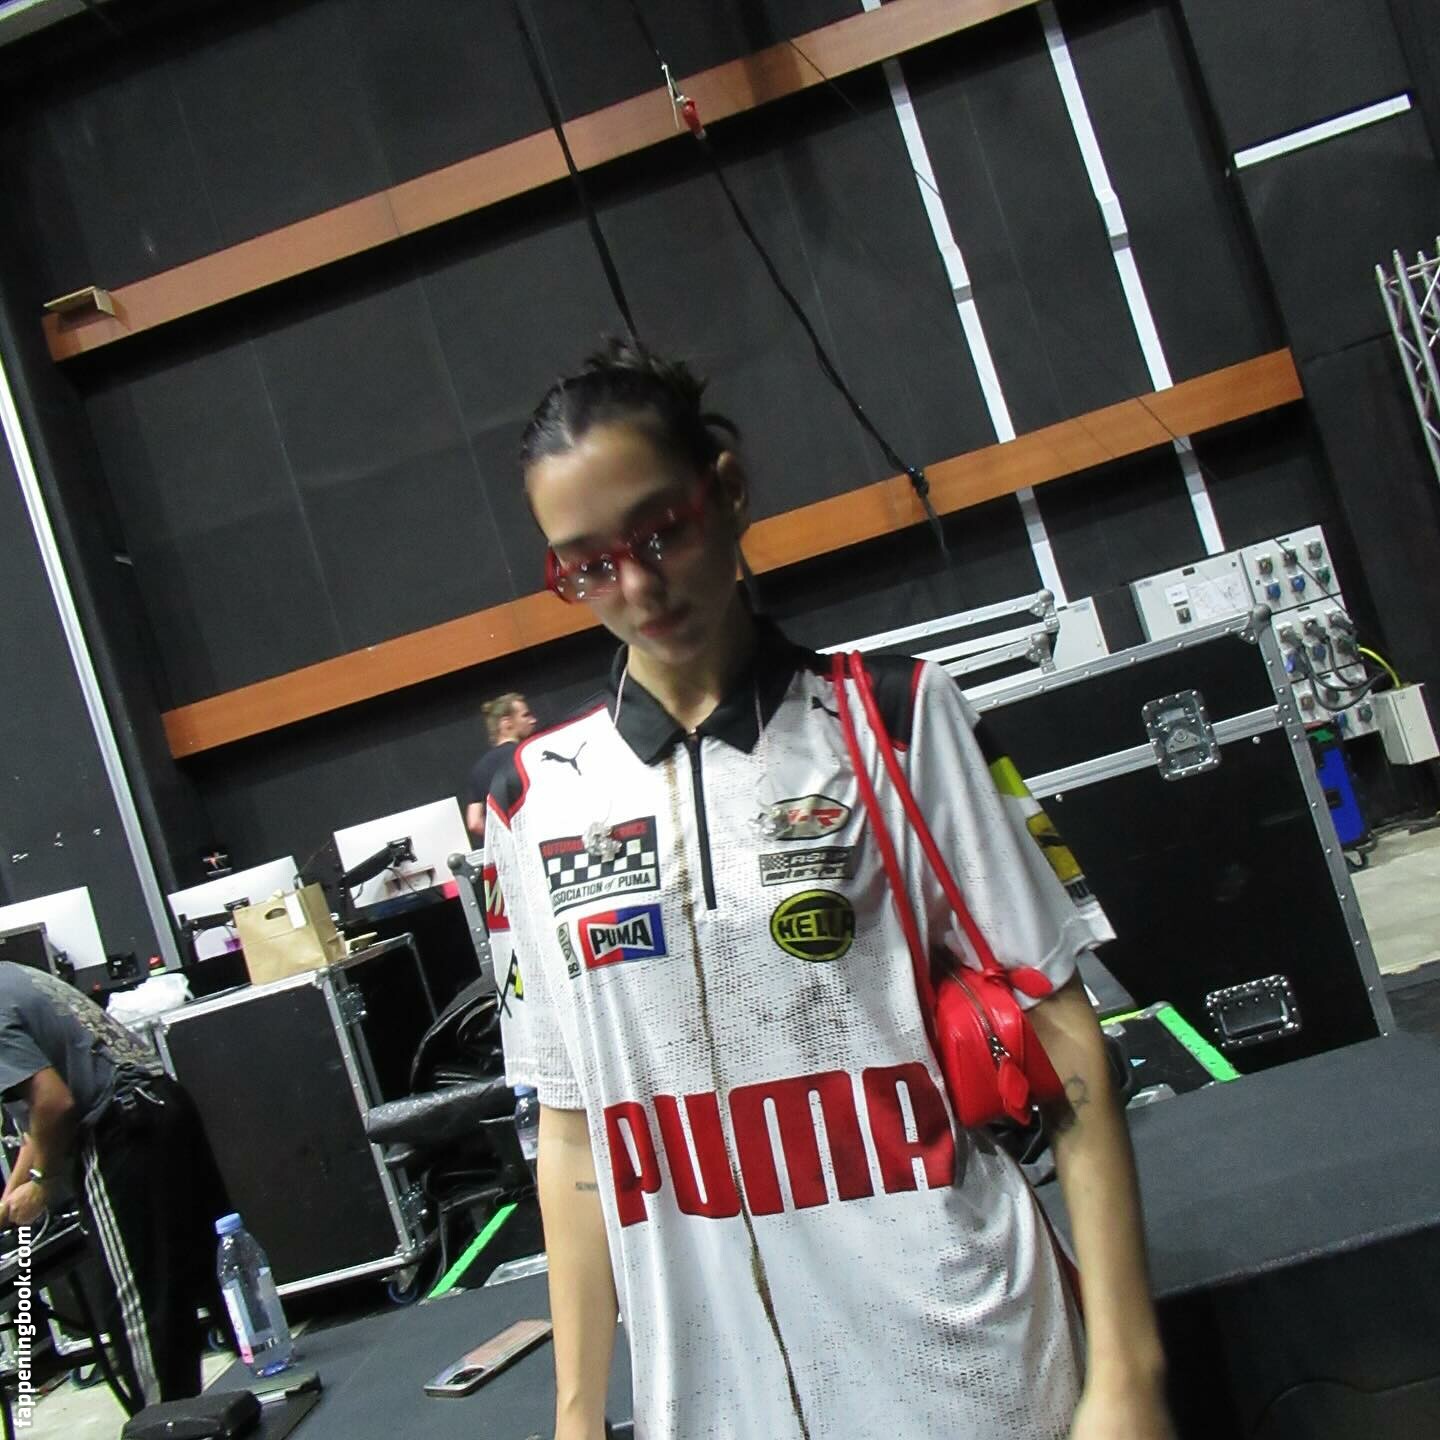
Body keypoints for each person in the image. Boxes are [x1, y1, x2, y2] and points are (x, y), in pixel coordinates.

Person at [484, 341, 1175, 1440]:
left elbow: (1067, 1041)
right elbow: (572, 1136)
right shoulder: (531, 802)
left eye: (661, 533)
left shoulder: (892, 720)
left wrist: (1130, 1375)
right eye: (589, 565)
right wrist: (576, 1419)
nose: (638, 587)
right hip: (710, 1406)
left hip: (968, 1368)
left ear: (728, 491)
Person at [0, 962, 229, 1406]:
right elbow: (36, 1126)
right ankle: (260, 1383)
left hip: (122, 1127)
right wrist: (12, 1195)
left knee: (140, 1308)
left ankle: (164, 1424)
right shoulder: (11, 976)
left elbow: (55, 1103)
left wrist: (41, 1181)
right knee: (207, 1270)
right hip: (162, 1105)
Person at [464, 693, 538, 840]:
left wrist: (509, 840)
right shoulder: (528, 754)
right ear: (506, 723)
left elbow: (474, 822)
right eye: (525, 715)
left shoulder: (479, 769)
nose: (533, 720)